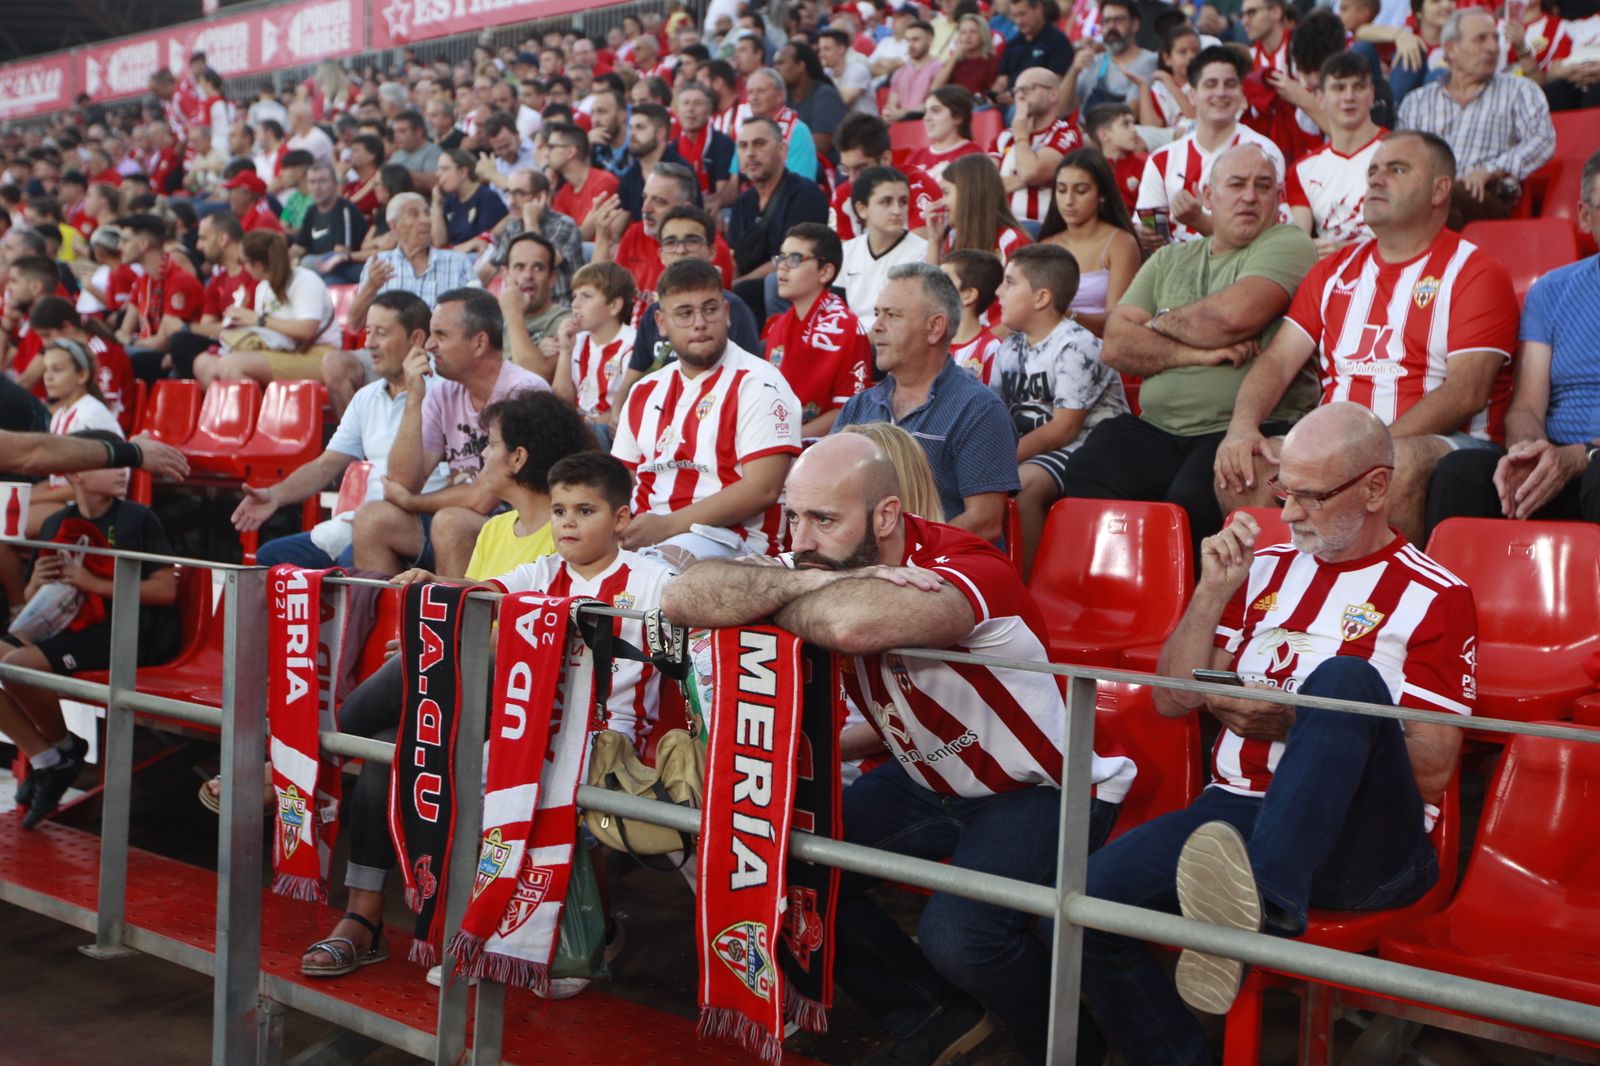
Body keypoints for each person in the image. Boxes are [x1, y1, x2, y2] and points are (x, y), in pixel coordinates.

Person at [660, 431, 1137, 1066]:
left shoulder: (971, 563)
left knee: (961, 938)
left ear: (885, 516)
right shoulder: (824, 560)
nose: (800, 540)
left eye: (823, 519)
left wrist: (771, 596)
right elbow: (684, 597)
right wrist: (806, 586)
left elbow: (853, 626)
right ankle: (933, 1016)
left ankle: (1072, 1049)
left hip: (1042, 786)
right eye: (793, 516)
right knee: (785, 876)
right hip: (926, 778)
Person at [1080, 403, 1474, 1066]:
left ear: (1377, 488)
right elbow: (1174, 699)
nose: (1288, 514)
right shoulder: (1262, 569)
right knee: (1083, 906)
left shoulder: (1437, 594)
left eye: (1311, 497)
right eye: (1283, 492)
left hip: (1363, 838)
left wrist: (1299, 715)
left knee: (1346, 681)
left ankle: (1256, 906)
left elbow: (1433, 769)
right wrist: (1210, 593)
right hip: (1234, 811)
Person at [296, 425, 647, 984]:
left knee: (435, 753)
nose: (568, 524)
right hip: (524, 724)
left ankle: (296, 761)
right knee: (402, 751)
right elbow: (482, 592)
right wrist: (434, 584)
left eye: (585, 511)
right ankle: (459, 933)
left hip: (606, 738)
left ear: (622, 519)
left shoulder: (655, 580)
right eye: (561, 512)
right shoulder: (543, 571)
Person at [1215, 132, 1518, 544]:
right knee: (1242, 470)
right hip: (1341, 445)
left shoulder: (1477, 271)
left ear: (1439, 190)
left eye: (1396, 170)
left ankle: (1387, 605)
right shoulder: (1335, 269)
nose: (1376, 179)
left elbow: (1466, 392)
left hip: (1446, 445)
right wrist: (1242, 426)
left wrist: (1367, 452)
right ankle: (1279, 602)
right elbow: (1278, 360)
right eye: (1373, 170)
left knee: (1397, 468)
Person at [1062, 145, 1320, 558]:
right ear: (1208, 196)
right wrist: (1197, 354)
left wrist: (1154, 322)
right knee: (1089, 468)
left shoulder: (1289, 243)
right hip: (1159, 427)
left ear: (1278, 198)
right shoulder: (1168, 258)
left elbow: (1233, 317)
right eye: (1236, 184)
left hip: (1242, 426)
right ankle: (1124, 592)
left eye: (1263, 186)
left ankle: (1193, 607)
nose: (1250, 196)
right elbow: (1115, 343)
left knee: (1193, 493)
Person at [2, 429, 180, 829]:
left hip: (126, 632)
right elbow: (35, 595)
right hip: (68, 629)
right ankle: (52, 756)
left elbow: (165, 590)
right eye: (110, 461)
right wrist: (35, 585)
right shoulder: (54, 523)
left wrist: (93, 583)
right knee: (5, 658)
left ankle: (61, 752)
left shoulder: (137, 517)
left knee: (18, 664)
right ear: (76, 473)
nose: (123, 472)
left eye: (125, 463)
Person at [1426, 149, 1600, 530]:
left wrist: (1582, 455)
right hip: (1558, 463)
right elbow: (1525, 407)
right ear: (1586, 217)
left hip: (1591, 465)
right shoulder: (1552, 291)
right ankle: (1450, 590)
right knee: (1459, 475)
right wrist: (1531, 452)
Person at [233, 291, 448, 569]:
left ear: (416, 339)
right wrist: (276, 495)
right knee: (272, 557)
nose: (369, 343)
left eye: (381, 333)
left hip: (421, 523)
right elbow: (326, 465)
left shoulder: (445, 393)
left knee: (352, 558)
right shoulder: (366, 396)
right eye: (368, 332)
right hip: (368, 520)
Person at [611, 258, 801, 567]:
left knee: (655, 571)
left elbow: (763, 489)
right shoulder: (645, 389)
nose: (699, 322)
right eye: (684, 313)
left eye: (710, 309)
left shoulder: (758, 383)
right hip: (646, 533)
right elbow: (623, 479)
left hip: (735, 541)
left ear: (726, 314)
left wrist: (665, 527)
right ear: (661, 323)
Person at [349, 288, 549, 577]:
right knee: (372, 518)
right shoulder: (444, 392)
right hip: (464, 518)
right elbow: (402, 481)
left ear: (479, 342)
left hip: (521, 528)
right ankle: (390, 622)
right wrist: (414, 399)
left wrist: (411, 502)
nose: (429, 345)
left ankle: (450, 621)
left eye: (441, 335)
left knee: (450, 522)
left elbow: (483, 498)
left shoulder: (523, 392)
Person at [835, 262, 1020, 540]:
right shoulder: (859, 406)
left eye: (892, 315)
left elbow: (984, 521)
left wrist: (905, 553)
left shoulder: (979, 409)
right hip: (865, 564)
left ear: (935, 327)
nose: (877, 327)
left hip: (939, 572)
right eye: (877, 314)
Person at [995, 245, 1128, 576]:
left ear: (1041, 298)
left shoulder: (1076, 345)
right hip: (1035, 446)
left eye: (1010, 283)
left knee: (1024, 485)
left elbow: (1064, 428)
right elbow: (995, 410)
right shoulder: (1010, 345)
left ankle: (1028, 590)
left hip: (1086, 445)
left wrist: (1001, 460)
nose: (999, 293)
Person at [1396, 8, 1556, 223]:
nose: (1492, 47)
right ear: (1451, 49)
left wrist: (1490, 170)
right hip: (1428, 194)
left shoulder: (1519, 90)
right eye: (1481, 39)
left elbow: (1543, 140)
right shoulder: (1417, 102)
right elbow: (1402, 158)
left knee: (1439, 201)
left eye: (1495, 38)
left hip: (1485, 194)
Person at [611, 205, 763, 417]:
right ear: (661, 254)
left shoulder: (733, 309)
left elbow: (752, 377)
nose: (681, 250)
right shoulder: (653, 312)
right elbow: (632, 378)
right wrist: (618, 413)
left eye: (691, 240)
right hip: (652, 416)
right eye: (671, 242)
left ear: (711, 251)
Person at [1136, 47, 1287, 249]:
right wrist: (1142, 234)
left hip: (1241, 270)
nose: (1221, 93)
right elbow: (1147, 224)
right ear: (1192, 95)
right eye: (1211, 84)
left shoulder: (1264, 153)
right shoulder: (1162, 159)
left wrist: (1199, 221)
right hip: (1176, 271)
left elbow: (1265, 238)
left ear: (1242, 95)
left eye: (1230, 84)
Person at [191, 230, 338, 389]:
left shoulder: (305, 281)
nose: (242, 267)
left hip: (319, 355)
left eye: (242, 262)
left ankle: (261, 413)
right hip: (282, 351)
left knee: (231, 365)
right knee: (203, 364)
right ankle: (231, 413)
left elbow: (307, 330)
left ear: (258, 265)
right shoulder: (263, 287)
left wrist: (258, 319)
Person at [765, 223, 874, 437]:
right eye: (781, 257)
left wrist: (787, 439)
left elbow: (848, 410)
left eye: (795, 259)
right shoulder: (779, 324)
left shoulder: (846, 327)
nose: (782, 267)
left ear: (825, 272)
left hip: (823, 449)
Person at [727, 117, 831, 320]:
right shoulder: (742, 203)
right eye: (743, 146)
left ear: (782, 150)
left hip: (793, 286)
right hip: (748, 292)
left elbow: (792, 261)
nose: (750, 153)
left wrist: (736, 287)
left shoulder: (805, 194)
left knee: (766, 285)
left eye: (759, 143)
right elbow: (734, 259)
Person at [1288, 54, 1387, 257]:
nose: (1349, 97)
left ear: (1372, 95)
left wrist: (1346, 251)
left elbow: (1410, 231)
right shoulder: (1302, 169)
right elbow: (1299, 241)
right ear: (1320, 97)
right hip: (1329, 274)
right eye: (1339, 88)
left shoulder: (1399, 152)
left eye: (1358, 87)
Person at [343, 192, 478, 338]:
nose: (425, 220)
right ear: (394, 225)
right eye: (414, 214)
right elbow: (354, 325)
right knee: (336, 360)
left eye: (427, 213)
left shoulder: (458, 262)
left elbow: (478, 318)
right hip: (390, 353)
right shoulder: (378, 264)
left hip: (441, 351)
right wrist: (371, 287)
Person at [1037, 149, 1141, 337]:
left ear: (1101, 194)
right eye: (1061, 190)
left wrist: (1065, 315)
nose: (1068, 201)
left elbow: (1117, 320)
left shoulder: (1121, 244)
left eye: (1081, 191)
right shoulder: (1046, 245)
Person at [114, 215, 205, 384]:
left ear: (143, 244)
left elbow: (161, 344)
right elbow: (124, 331)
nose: (120, 247)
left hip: (173, 359)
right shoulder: (142, 280)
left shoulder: (179, 280)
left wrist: (131, 340)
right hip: (146, 349)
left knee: (124, 360)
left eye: (125, 241)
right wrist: (127, 339)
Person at [554, 262, 636, 444]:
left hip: (609, 434)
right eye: (574, 296)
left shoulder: (632, 345)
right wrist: (565, 351)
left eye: (586, 296)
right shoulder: (578, 341)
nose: (575, 304)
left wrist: (576, 427)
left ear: (614, 305)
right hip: (579, 428)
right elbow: (561, 401)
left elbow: (626, 409)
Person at [841, 167, 932, 329]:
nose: (897, 210)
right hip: (850, 340)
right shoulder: (847, 251)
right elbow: (837, 312)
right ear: (862, 209)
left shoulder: (922, 252)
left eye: (903, 202)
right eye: (886, 202)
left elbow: (906, 319)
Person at [479, 168, 583, 307]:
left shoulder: (564, 225)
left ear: (540, 197)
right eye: (508, 193)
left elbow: (543, 260)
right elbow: (492, 267)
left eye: (519, 194)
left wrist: (531, 221)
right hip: (524, 307)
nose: (511, 201)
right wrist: (469, 290)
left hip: (558, 307)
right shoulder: (513, 226)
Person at [996, 67, 1085, 228]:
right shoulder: (1004, 137)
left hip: (1042, 229)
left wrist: (1021, 131)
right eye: (1017, 91)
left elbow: (1031, 172)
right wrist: (1029, 178)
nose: (1021, 95)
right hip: (1002, 226)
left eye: (1028, 88)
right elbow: (983, 185)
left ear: (1053, 94)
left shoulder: (1067, 133)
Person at [831, 113, 942, 241]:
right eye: (845, 169)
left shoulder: (918, 185)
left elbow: (921, 254)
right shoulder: (842, 195)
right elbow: (839, 255)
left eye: (860, 168)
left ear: (885, 159)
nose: (852, 179)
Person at [926, 153, 1032, 279]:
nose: (941, 202)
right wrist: (934, 241)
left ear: (969, 194)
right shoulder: (953, 239)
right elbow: (933, 293)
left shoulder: (1013, 242)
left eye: (946, 193)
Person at [1059, 0, 1160, 118]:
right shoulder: (1093, 61)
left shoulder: (1149, 61)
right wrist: (1074, 71)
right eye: (1106, 21)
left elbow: (1131, 112)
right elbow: (1061, 109)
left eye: (1119, 20)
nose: (1111, 27)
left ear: (1135, 25)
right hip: (1084, 132)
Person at [293, 162, 369, 284]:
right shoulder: (312, 210)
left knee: (320, 274)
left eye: (322, 181)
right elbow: (298, 248)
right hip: (319, 269)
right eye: (312, 182)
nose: (317, 187)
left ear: (335, 184)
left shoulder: (344, 209)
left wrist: (302, 261)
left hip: (345, 269)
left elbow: (341, 252)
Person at [616, 103, 693, 222]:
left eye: (640, 127)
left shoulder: (681, 172)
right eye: (630, 127)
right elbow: (618, 226)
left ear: (660, 133)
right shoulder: (629, 177)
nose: (631, 133)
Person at [548, 123, 623, 241]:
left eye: (552, 147)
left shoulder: (604, 182)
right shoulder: (564, 192)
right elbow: (557, 237)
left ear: (570, 151)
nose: (547, 153)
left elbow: (585, 236)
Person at [941, 248, 1004, 384]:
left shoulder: (991, 349)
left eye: (944, 281)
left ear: (968, 295)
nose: (933, 286)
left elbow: (994, 402)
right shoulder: (926, 341)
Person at [672, 81, 737, 211]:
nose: (690, 109)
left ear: (709, 110)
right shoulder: (671, 148)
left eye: (697, 103)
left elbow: (722, 194)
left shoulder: (723, 144)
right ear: (678, 110)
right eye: (685, 103)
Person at [995, 0, 1076, 104]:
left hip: (1037, 106)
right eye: (1015, 16)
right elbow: (1002, 79)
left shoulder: (1058, 41)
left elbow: (1054, 82)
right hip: (1007, 103)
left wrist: (1018, 96)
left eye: (1023, 14)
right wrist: (995, 94)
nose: (1019, 21)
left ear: (1039, 8)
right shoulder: (1012, 43)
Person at [778, 42, 850, 157]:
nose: (776, 69)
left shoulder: (825, 96)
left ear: (800, 66)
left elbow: (819, 147)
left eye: (781, 63)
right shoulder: (783, 98)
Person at [432, 149, 508, 250]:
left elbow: (484, 244)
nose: (438, 174)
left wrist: (450, 251)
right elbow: (439, 243)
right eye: (438, 169)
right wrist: (436, 204)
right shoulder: (449, 202)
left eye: (445, 169)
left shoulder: (487, 198)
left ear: (463, 172)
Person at [1085, 102, 1149, 214]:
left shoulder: (1147, 164)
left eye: (1133, 123)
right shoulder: (1087, 168)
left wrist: (1146, 228)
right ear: (1104, 135)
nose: (1134, 129)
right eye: (1126, 124)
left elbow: (1153, 207)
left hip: (1138, 228)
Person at [1138, 23, 1200, 128]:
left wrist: (1171, 85)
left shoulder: (1208, 83)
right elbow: (1150, 129)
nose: (1191, 56)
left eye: (1196, 51)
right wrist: (1143, 87)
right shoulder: (1159, 89)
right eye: (1183, 52)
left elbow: (1196, 117)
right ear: (1167, 58)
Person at [932, 14, 1001, 99]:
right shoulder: (954, 61)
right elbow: (936, 87)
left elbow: (992, 93)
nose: (968, 36)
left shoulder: (993, 61)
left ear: (983, 35)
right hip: (951, 105)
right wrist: (955, 56)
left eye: (973, 32)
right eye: (963, 32)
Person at [884, 21, 942, 120]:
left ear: (930, 40)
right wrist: (889, 113)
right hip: (901, 127)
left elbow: (932, 104)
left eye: (916, 39)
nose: (910, 45)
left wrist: (902, 113)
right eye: (908, 40)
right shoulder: (899, 72)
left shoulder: (939, 69)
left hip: (925, 125)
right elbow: (891, 104)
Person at [223, 168, 284, 233]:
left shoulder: (263, 220)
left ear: (246, 195)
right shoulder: (249, 215)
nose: (228, 198)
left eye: (231, 192)